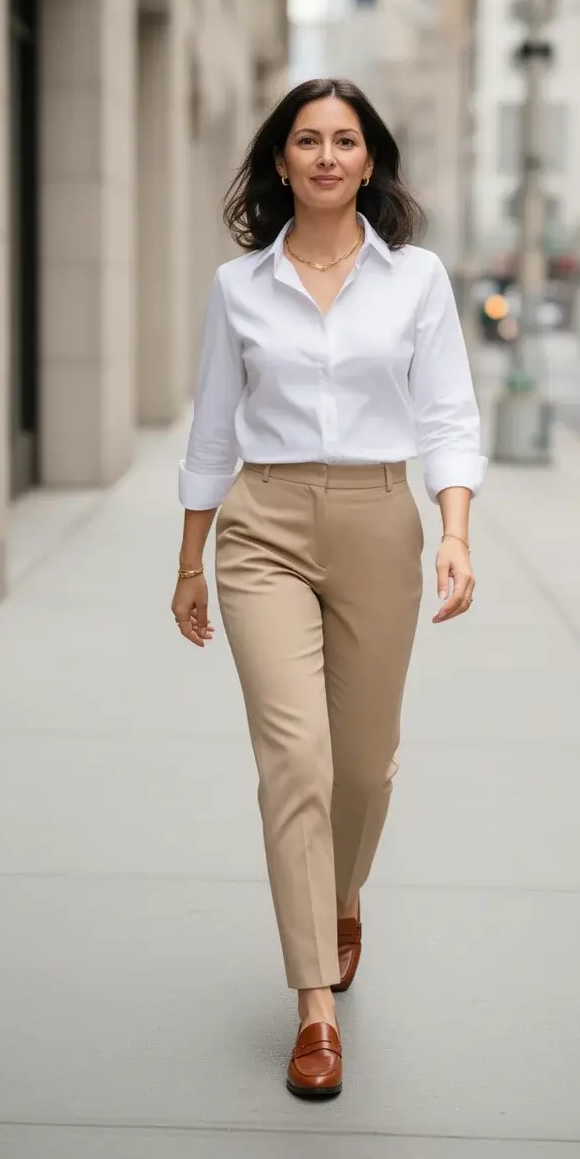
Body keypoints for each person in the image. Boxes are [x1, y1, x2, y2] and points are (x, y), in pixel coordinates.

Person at [171, 78, 486, 1099]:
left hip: (378, 522)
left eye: (346, 141)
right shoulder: (238, 288)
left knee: (363, 765)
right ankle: (314, 1006)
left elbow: (447, 414)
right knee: (296, 759)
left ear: (371, 160)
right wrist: (191, 562)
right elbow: (213, 428)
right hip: (262, 527)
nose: (326, 156)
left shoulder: (418, 279)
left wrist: (455, 533)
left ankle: (343, 892)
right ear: (279, 161)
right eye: (306, 140)